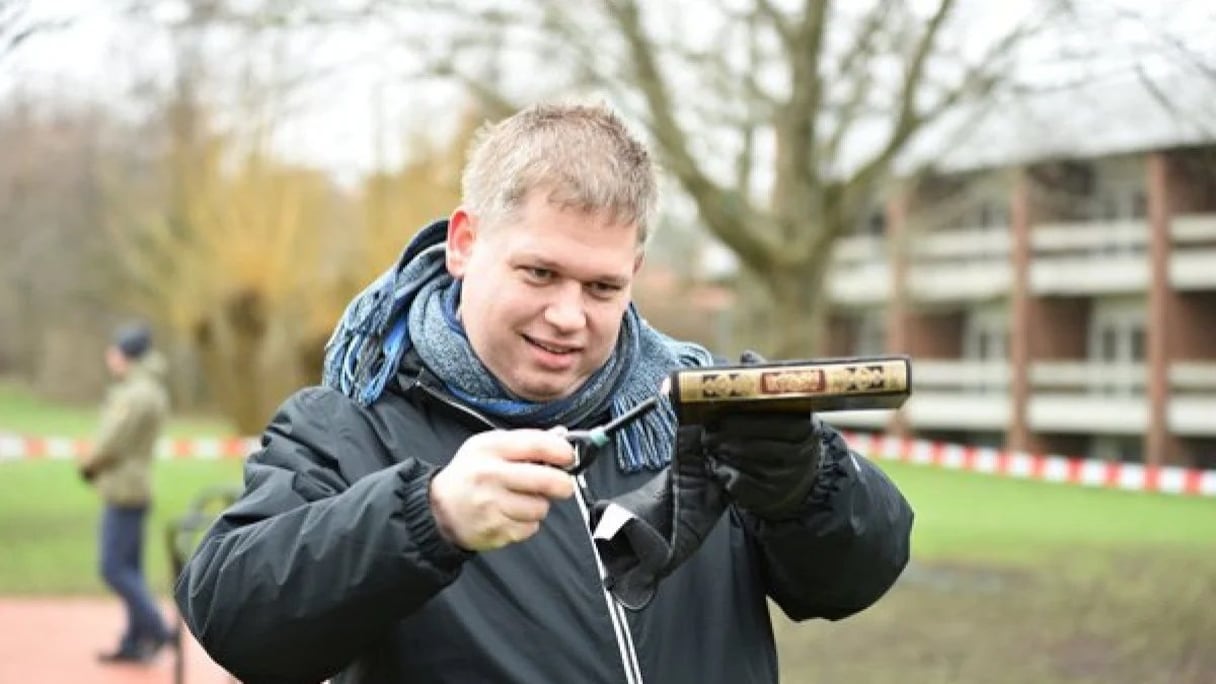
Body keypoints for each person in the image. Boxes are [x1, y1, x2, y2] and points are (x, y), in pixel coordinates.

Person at [174, 102, 914, 683]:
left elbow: (856, 578)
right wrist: (426, 519)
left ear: (636, 270)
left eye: (602, 287)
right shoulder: (351, 422)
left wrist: (805, 484)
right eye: (539, 273)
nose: (568, 317)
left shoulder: (702, 409)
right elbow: (235, 620)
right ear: (464, 242)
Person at [79, 322, 175, 664]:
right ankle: (136, 640)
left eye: (115, 351)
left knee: (113, 567)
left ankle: (159, 631)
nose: (110, 357)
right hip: (135, 485)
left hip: (124, 488)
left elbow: (113, 440)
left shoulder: (137, 393)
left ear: (127, 355)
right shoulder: (146, 388)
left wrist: (89, 465)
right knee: (130, 568)